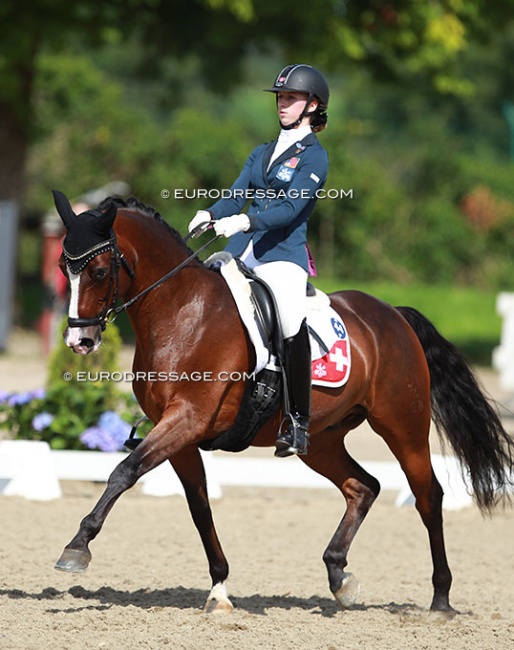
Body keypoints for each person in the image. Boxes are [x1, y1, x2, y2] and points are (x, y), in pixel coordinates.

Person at [188, 64, 330, 457]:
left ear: (312, 105)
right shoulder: (262, 153)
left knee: (288, 318)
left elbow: (289, 208)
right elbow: (236, 195)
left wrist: (247, 219)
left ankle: (298, 421)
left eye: (291, 98)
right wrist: (212, 213)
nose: (282, 105)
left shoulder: (314, 158)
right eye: (281, 98)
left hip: (282, 256)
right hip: (243, 249)